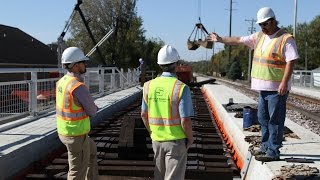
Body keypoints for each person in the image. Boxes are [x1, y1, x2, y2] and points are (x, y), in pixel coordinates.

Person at [207, 7, 299, 162]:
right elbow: (238, 40)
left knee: (275, 121)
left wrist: (284, 82)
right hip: (263, 88)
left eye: (265, 24)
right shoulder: (259, 37)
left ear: (272, 21)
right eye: (260, 25)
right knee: (263, 119)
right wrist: (221, 39)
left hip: (277, 89)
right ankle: (265, 147)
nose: (262, 28)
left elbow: (291, 61)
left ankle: (273, 151)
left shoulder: (286, 39)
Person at [141, 45, 194, 179]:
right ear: (176, 65)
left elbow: (143, 115)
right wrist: (190, 138)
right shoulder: (181, 88)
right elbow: (185, 120)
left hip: (156, 141)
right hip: (175, 142)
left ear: (160, 65)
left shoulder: (148, 86)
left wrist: (152, 132)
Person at [56, 47, 99, 179]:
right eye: (83, 62)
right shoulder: (78, 86)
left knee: (92, 151)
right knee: (76, 172)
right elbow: (92, 111)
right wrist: (95, 107)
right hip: (76, 136)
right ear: (75, 66)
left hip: (66, 131)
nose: (85, 64)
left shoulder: (62, 81)